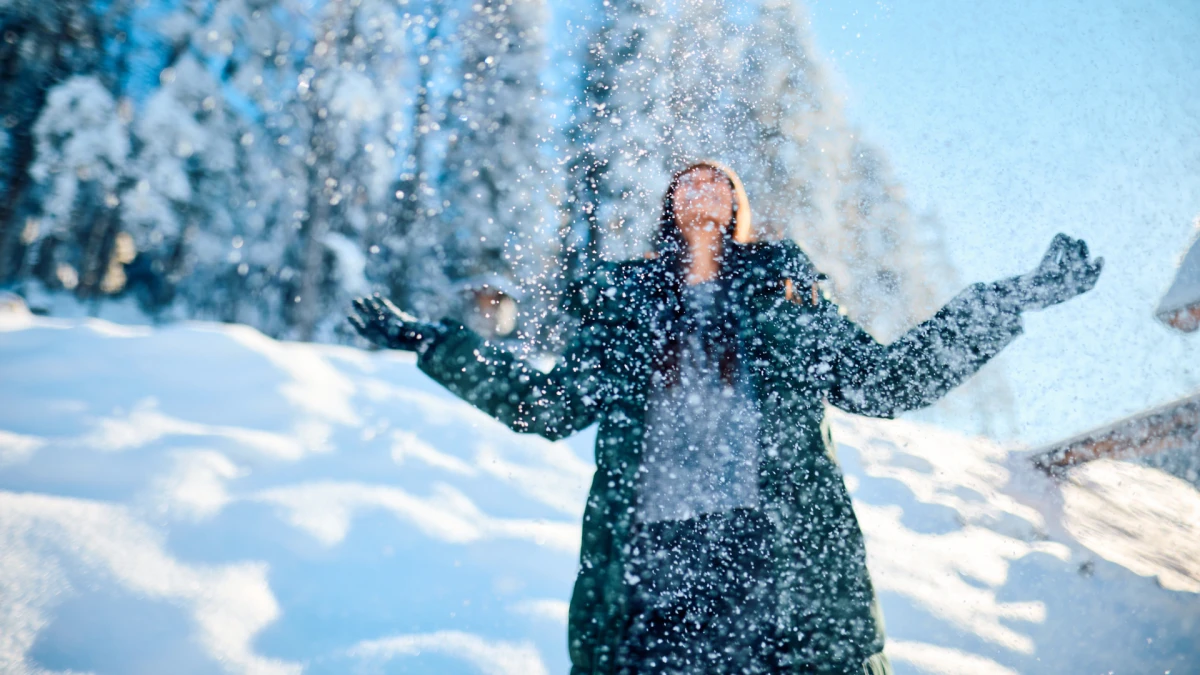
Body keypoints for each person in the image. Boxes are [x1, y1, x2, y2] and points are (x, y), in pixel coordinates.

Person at [349, 162, 1102, 675]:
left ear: (739, 208)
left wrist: (1010, 299)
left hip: (767, 561)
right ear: (670, 208)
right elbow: (543, 407)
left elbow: (885, 380)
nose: (702, 186)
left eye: (718, 180)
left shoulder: (787, 299)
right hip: (652, 562)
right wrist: (435, 343)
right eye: (687, 181)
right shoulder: (627, 312)